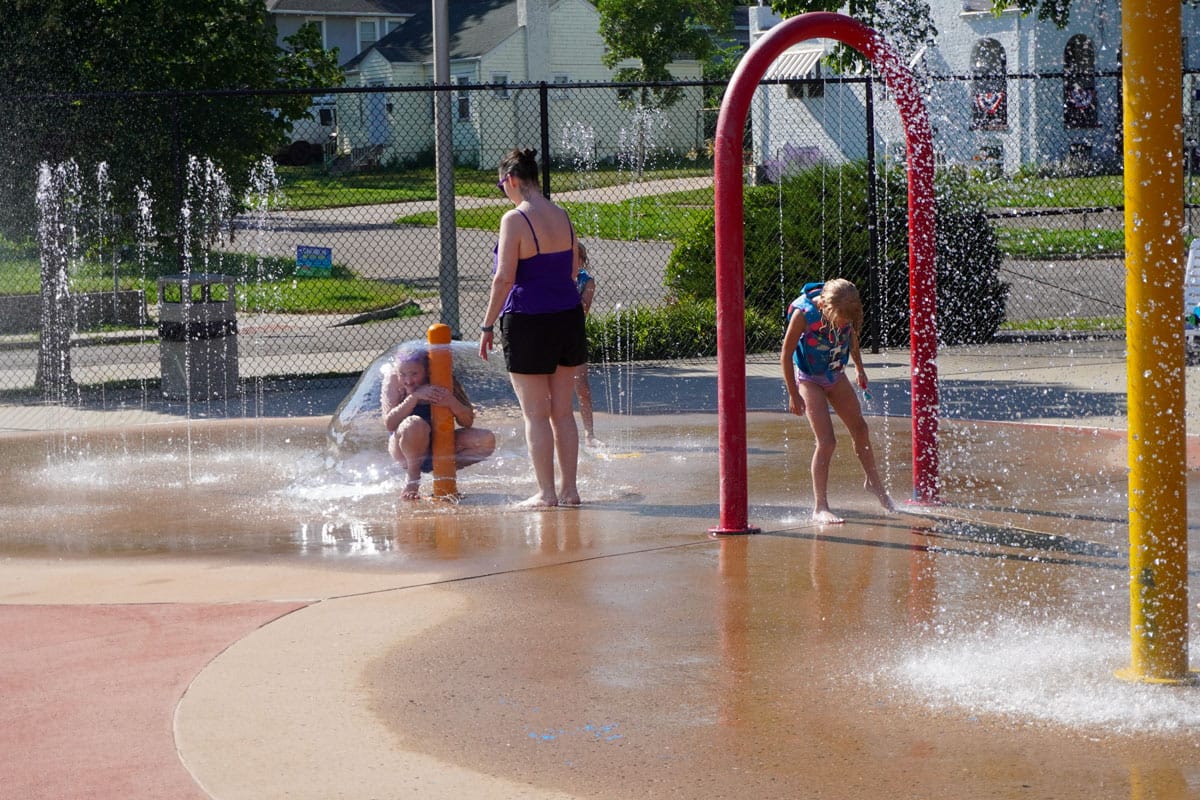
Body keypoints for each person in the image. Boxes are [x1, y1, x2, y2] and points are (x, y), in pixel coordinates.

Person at [479, 147, 586, 508]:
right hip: (567, 318)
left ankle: (546, 494)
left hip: (528, 320)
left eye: (501, 185)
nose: (503, 191)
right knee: (562, 412)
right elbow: (572, 272)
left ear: (511, 180)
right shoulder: (563, 214)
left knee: (536, 414)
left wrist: (487, 324)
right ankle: (570, 490)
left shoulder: (515, 219)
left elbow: (503, 278)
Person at [780, 278, 895, 524]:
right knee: (827, 441)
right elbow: (786, 354)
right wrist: (792, 393)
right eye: (840, 319)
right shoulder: (804, 314)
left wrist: (859, 369)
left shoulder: (845, 312)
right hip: (809, 379)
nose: (843, 323)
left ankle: (873, 482)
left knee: (860, 429)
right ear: (827, 308)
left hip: (835, 374)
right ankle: (820, 506)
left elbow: (851, 338)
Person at [381, 347, 496, 500]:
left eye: (415, 374)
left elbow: (467, 421)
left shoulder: (441, 376)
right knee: (414, 424)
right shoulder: (393, 380)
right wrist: (413, 398)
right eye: (403, 374)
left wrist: (452, 402)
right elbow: (390, 424)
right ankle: (413, 479)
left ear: (428, 371)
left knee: (485, 439)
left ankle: (444, 474)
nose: (408, 381)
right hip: (405, 446)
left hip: (439, 443)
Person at [574, 241, 600, 446]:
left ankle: (589, 433)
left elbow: (583, 309)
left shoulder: (586, 281)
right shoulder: (552, 277)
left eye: (577, 257)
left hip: (574, 336)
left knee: (581, 386)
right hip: (550, 337)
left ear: (582, 261)